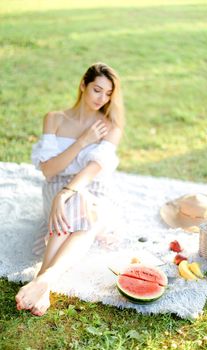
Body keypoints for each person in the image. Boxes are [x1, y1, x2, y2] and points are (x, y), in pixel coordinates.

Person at [15, 62, 124, 316]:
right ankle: (45, 283)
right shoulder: (54, 119)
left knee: (80, 202)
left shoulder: (110, 127)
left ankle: (44, 279)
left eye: (108, 94)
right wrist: (83, 141)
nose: (102, 98)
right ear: (83, 85)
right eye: (97, 90)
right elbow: (49, 170)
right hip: (55, 185)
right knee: (76, 205)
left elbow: (92, 171)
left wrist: (68, 192)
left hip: (94, 188)